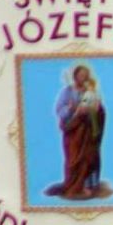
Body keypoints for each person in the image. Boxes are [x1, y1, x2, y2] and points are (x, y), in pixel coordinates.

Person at [45, 64, 106, 201]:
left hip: (87, 131)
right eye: (81, 75)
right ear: (75, 76)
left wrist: (96, 109)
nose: (83, 77)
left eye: (85, 75)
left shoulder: (90, 91)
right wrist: (71, 108)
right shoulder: (67, 91)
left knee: (87, 157)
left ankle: (86, 185)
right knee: (74, 159)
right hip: (73, 131)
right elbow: (59, 110)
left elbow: (98, 108)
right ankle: (74, 185)